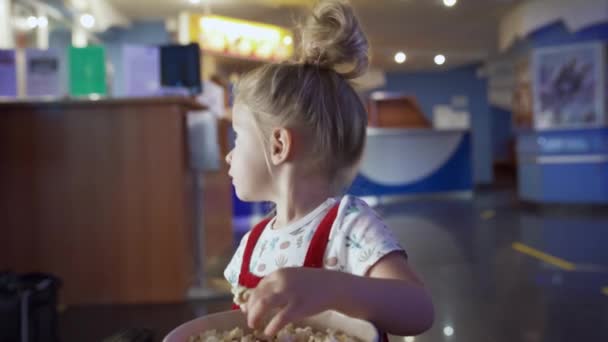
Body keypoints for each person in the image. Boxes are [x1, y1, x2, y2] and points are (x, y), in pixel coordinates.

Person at [223, 0, 434, 338]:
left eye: (237, 138)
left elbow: (420, 309)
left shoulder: (348, 226)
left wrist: (333, 288)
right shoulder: (252, 244)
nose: (228, 157)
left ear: (278, 145)